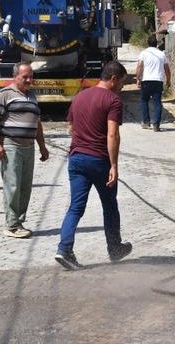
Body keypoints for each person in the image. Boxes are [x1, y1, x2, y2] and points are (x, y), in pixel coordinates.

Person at [55, 61, 133, 270]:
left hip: (77, 159)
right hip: (99, 161)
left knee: (76, 207)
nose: (122, 87)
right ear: (114, 78)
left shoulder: (80, 96)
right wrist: (114, 165)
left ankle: (64, 249)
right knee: (109, 205)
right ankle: (115, 248)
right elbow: (112, 134)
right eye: (122, 82)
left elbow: (71, 127)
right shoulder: (113, 100)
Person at [0, 62, 49, 238]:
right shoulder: (4, 94)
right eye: (25, 77)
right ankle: (11, 225)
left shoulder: (32, 96)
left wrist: (42, 147)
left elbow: (36, 123)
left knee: (25, 188)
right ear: (16, 77)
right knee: (12, 186)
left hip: (28, 148)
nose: (29, 80)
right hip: (11, 147)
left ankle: (19, 222)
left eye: (31, 76)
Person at [135, 35, 170, 131]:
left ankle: (146, 122)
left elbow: (139, 67)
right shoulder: (161, 54)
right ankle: (156, 125)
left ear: (148, 43)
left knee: (144, 100)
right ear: (156, 44)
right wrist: (168, 80)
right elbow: (167, 68)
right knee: (157, 102)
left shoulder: (143, 53)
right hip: (158, 81)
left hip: (146, 80)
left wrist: (138, 78)